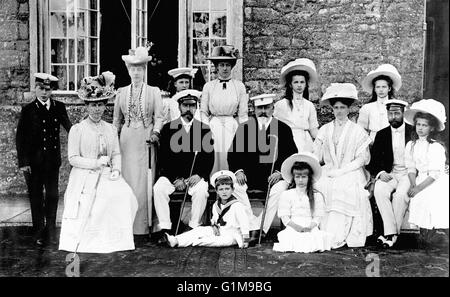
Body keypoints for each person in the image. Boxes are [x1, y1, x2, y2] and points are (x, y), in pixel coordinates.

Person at [59, 72, 138, 253]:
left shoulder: (110, 129)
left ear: (105, 107)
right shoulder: (77, 130)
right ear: (87, 106)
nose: (97, 109)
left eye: (100, 105)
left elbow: (116, 153)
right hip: (84, 175)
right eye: (93, 105)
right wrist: (94, 163)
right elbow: (73, 158)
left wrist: (116, 170)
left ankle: (116, 240)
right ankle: (94, 240)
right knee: (99, 200)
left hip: (107, 173)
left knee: (125, 195)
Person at [228, 94, 298, 239]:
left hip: (273, 178)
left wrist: (280, 172)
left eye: (266, 107)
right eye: (259, 108)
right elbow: (233, 154)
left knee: (280, 189)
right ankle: (252, 224)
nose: (263, 111)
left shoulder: (283, 129)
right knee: (235, 186)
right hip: (249, 177)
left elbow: (291, 155)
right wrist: (239, 171)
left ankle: (261, 229)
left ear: (272, 108)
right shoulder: (245, 128)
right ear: (253, 109)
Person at [113, 46, 164, 240]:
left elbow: (159, 117)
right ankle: (127, 224)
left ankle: (145, 225)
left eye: (139, 69)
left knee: (144, 182)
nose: (136, 72)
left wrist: (156, 133)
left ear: (144, 70)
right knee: (127, 180)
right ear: (128, 70)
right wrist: (113, 142)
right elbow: (116, 121)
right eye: (132, 69)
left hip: (146, 139)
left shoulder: (153, 91)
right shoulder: (121, 93)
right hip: (126, 140)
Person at [313, 83, 373, 248]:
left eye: (343, 107)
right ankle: (323, 231)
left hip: (352, 170)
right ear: (332, 109)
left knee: (343, 186)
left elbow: (362, 159)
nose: (339, 111)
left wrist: (343, 170)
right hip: (330, 169)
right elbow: (317, 155)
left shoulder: (357, 130)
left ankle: (339, 234)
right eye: (336, 107)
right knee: (321, 184)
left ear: (348, 109)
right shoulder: (325, 129)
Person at [16, 73, 72, 246]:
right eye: (40, 88)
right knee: (36, 197)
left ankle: (51, 231)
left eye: (47, 89)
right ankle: (39, 231)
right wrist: (24, 163)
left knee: (53, 196)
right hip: (33, 163)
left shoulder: (59, 107)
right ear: (35, 88)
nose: (43, 93)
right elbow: (21, 138)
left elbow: (71, 129)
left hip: (52, 161)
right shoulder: (28, 110)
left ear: (52, 90)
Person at [153, 89, 214, 238]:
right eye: (185, 105)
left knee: (201, 190)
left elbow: (208, 158)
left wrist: (199, 175)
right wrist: (175, 178)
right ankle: (165, 228)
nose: (189, 109)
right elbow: (163, 158)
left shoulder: (204, 129)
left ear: (196, 107)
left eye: (192, 105)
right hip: (172, 177)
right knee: (159, 188)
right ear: (179, 107)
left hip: (194, 177)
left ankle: (193, 227)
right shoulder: (168, 129)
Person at [366, 99, 413, 248]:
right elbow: (372, 161)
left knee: (400, 196)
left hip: (408, 173)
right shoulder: (381, 134)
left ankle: (389, 235)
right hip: (390, 173)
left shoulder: (413, 132)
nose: (393, 116)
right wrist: (380, 173)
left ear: (403, 114)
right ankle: (392, 233)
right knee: (379, 190)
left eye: (397, 113)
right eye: (390, 113)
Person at [165, 170, 251, 249]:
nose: (224, 192)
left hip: (232, 235)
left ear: (232, 190)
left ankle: (194, 241)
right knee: (199, 230)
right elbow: (215, 220)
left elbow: (244, 223)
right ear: (217, 191)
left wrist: (246, 240)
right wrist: (214, 227)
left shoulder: (237, 205)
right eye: (221, 189)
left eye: (227, 189)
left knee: (208, 240)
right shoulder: (216, 205)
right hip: (219, 231)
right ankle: (175, 240)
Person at [403, 99, 449, 247]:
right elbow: (410, 167)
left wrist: (418, 188)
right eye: (418, 124)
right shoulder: (411, 145)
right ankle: (426, 235)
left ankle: (437, 233)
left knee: (429, 198)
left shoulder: (436, 147)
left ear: (431, 128)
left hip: (435, 181)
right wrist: (413, 184)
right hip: (420, 179)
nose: (420, 128)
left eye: (424, 125)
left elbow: (435, 174)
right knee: (417, 198)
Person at [200, 45, 248, 172]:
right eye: (221, 65)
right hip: (213, 125)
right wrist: (206, 129)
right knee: (214, 155)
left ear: (232, 66)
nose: (225, 68)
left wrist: (243, 131)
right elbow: (203, 111)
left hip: (232, 125)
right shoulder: (209, 86)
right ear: (216, 67)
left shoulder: (239, 86)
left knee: (230, 153)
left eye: (227, 64)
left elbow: (243, 113)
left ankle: (229, 184)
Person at [273, 152, 333, 253]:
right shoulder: (287, 194)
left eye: (304, 177)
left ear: (309, 177)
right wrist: (297, 228)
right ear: (293, 177)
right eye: (297, 177)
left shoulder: (317, 196)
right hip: (293, 226)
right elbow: (285, 217)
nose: (300, 180)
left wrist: (309, 227)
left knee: (313, 239)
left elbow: (318, 217)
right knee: (288, 238)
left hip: (310, 226)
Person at [274, 58, 319, 152]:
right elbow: (275, 128)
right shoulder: (282, 104)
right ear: (290, 84)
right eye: (296, 82)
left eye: (302, 82)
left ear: (306, 84)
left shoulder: (309, 105)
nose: (299, 85)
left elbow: (313, 130)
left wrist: (323, 141)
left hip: (306, 142)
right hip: (288, 141)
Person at [358, 64, 402, 142]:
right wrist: (368, 142)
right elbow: (360, 129)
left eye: (384, 87)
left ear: (389, 88)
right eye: (378, 87)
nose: (381, 90)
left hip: (391, 141)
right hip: (373, 142)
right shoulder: (367, 108)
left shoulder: (396, 106)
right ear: (374, 89)